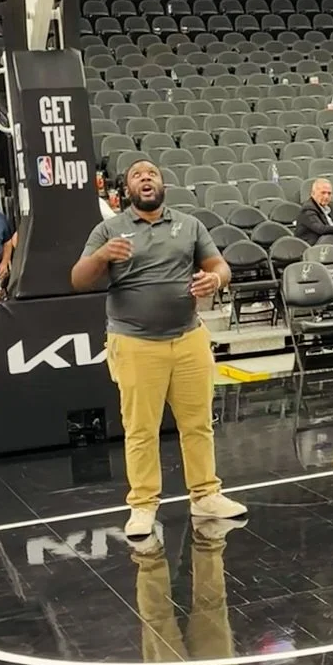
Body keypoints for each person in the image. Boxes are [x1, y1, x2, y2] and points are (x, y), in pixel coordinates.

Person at [71, 159, 248, 539]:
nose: (146, 178)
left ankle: (205, 496)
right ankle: (143, 506)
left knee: (198, 424)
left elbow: (220, 265)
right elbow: (78, 279)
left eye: (152, 173)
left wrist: (214, 279)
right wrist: (102, 256)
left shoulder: (189, 225)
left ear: (163, 184)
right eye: (137, 175)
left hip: (188, 338)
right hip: (135, 344)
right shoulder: (109, 229)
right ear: (126, 190)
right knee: (140, 429)